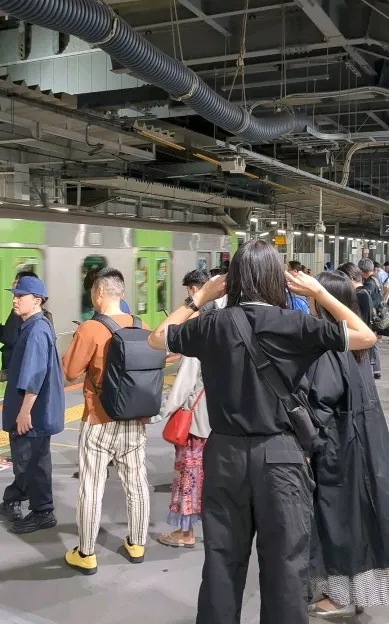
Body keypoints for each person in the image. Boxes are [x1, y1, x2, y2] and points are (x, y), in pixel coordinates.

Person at [148, 240, 376, 624]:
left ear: (232, 280)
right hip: (282, 458)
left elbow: (157, 339)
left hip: (223, 455)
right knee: (286, 568)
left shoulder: (211, 323)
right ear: (277, 279)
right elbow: (365, 336)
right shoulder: (296, 324)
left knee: (221, 562)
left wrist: (200, 297)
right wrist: (318, 291)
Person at [306, 270, 389, 618]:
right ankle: (359, 594)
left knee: (336, 519)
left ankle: (338, 595)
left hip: (339, 451)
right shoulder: (358, 347)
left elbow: (321, 404)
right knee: (362, 519)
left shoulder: (328, 348)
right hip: (368, 446)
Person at [62, 268, 150, 575]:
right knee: (136, 483)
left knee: (91, 485)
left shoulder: (90, 328)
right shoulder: (142, 325)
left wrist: (81, 340)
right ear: (121, 293)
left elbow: (71, 372)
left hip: (99, 420)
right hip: (135, 421)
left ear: (98, 294)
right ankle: (137, 543)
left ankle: (86, 553)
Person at [0, 276, 64, 533]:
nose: (14, 300)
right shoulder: (32, 326)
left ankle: (43, 512)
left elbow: (34, 376)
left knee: (31, 462)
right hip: (32, 412)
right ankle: (19, 500)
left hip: (32, 414)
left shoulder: (36, 332)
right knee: (32, 460)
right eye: (14, 295)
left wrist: (25, 412)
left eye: (20, 296)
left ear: (36, 301)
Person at [156, 353, 210, 548]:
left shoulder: (195, 348)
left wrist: (158, 414)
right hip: (222, 425)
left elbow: (181, 389)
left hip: (196, 425)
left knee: (188, 480)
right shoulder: (229, 340)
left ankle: (186, 533)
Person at [0, 270, 54, 378]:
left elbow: (9, 337)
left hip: (15, 373)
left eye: (17, 282)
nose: (15, 300)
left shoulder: (36, 328)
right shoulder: (42, 318)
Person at [358, 258, 383, 379]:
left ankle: (373, 369)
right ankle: (376, 369)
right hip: (378, 316)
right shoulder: (376, 280)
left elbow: (366, 302)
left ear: (362, 271)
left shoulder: (368, 284)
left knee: (370, 343)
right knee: (374, 343)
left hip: (371, 318)